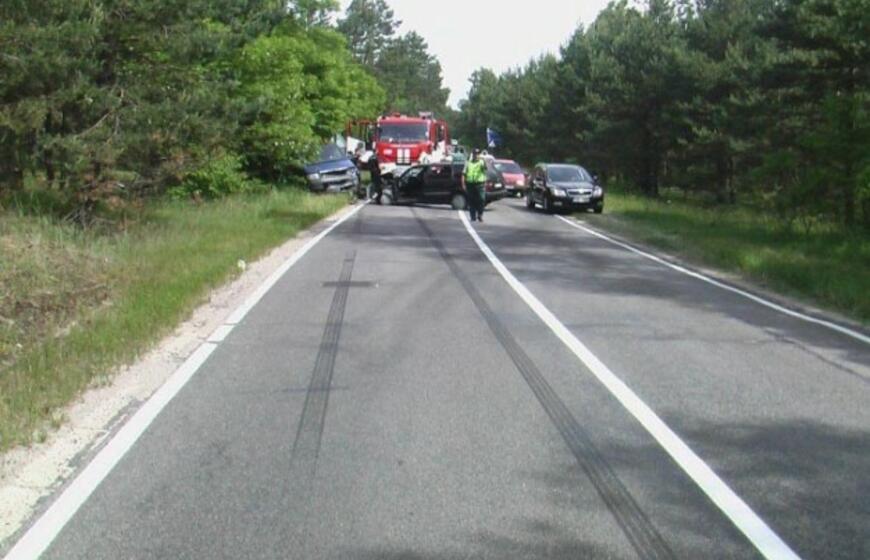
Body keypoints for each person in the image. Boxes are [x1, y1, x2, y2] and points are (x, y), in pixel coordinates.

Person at [462, 148, 487, 222]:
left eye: (477, 154)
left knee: (481, 199)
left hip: (480, 184)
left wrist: (484, 160)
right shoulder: (468, 162)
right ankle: (473, 216)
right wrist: (463, 184)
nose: (476, 155)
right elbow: (463, 174)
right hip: (470, 184)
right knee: (471, 201)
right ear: (472, 154)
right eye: (475, 154)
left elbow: (485, 168)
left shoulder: (481, 162)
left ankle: (480, 214)